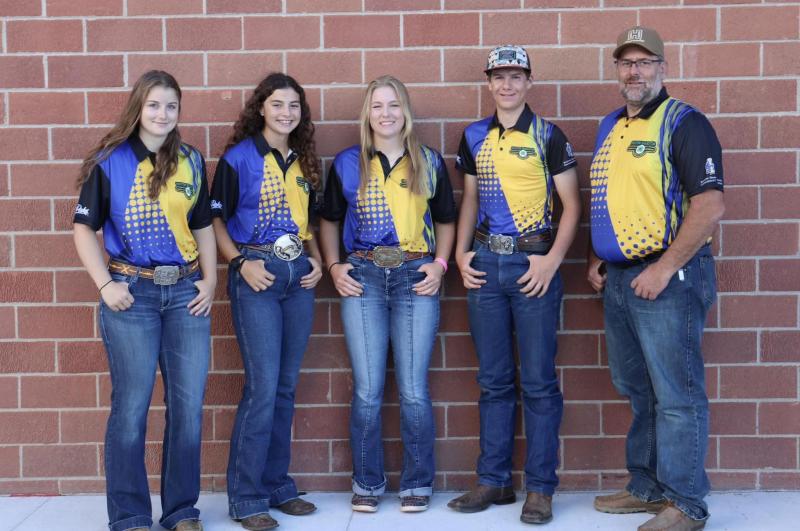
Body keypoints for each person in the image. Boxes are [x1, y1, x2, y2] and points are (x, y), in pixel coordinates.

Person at [587, 26, 724, 531]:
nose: (635, 71)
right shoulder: (610, 126)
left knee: (676, 394)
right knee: (637, 387)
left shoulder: (685, 122)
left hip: (669, 279)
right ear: (617, 70)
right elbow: (609, 196)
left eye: (645, 62)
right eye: (627, 62)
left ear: (662, 68)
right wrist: (596, 255)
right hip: (621, 280)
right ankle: (646, 488)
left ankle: (687, 505)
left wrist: (663, 268)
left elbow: (710, 205)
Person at [73, 70, 215, 531]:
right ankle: (131, 515)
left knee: (188, 408)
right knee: (131, 409)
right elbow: (83, 229)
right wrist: (105, 285)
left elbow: (202, 224)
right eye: (154, 104)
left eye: (171, 106)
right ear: (138, 107)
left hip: (186, 294)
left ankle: (181, 511)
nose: (162, 114)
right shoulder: (110, 160)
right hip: (132, 295)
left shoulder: (191, 159)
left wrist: (211, 280)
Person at [447, 45, 581, 525]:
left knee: (539, 382)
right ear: (488, 82)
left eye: (516, 76)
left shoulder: (548, 135)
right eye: (499, 76)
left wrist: (552, 262)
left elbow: (571, 205)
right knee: (493, 380)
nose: (507, 84)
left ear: (529, 82)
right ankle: (494, 480)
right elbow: (469, 199)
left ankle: (540, 489)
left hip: (532, 265)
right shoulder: (473, 135)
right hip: (486, 264)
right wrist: (461, 253)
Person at [319, 75, 456, 514]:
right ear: (367, 113)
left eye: (394, 105)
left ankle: (417, 481)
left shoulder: (428, 161)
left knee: (414, 388)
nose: (386, 113)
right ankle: (367, 481)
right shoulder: (348, 162)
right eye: (377, 106)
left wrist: (441, 264)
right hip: (363, 276)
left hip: (416, 274)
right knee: (368, 389)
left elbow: (446, 220)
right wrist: (334, 266)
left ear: (406, 111)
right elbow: (329, 220)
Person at [210, 72, 323, 531]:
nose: (286, 113)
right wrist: (239, 263)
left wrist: (317, 260)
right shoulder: (239, 158)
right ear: (261, 108)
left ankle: (277, 484)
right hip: (257, 275)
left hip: (298, 277)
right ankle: (246, 496)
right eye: (277, 104)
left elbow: (309, 221)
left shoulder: (304, 160)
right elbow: (214, 220)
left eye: (294, 105)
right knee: (262, 387)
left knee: (285, 387)